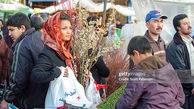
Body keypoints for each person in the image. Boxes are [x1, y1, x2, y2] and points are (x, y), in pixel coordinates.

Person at [116, 36, 185, 109]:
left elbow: (126, 103)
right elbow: (181, 98)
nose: (134, 63)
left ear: (136, 53)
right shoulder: (168, 67)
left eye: (132, 59)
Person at [0, 12, 44, 109]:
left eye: (12, 30)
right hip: (41, 98)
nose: (9, 34)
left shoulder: (23, 45)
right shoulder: (39, 37)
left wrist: (7, 98)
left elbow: (19, 78)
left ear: (22, 28)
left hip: (28, 99)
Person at [30, 11, 73, 108]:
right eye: (64, 28)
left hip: (66, 101)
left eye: (70, 28)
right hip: (51, 102)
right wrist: (57, 72)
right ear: (55, 30)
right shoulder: (49, 53)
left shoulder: (67, 51)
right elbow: (35, 75)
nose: (68, 31)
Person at [166, 14, 194, 109]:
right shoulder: (174, 46)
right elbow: (181, 72)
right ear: (178, 27)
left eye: (189, 22)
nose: (189, 25)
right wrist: (192, 86)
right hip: (185, 93)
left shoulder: (191, 42)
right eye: (185, 24)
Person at [87, 15, 110, 100]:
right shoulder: (90, 47)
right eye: (98, 28)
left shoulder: (96, 44)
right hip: (91, 88)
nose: (100, 31)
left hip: (97, 86)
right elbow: (104, 71)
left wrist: (103, 89)